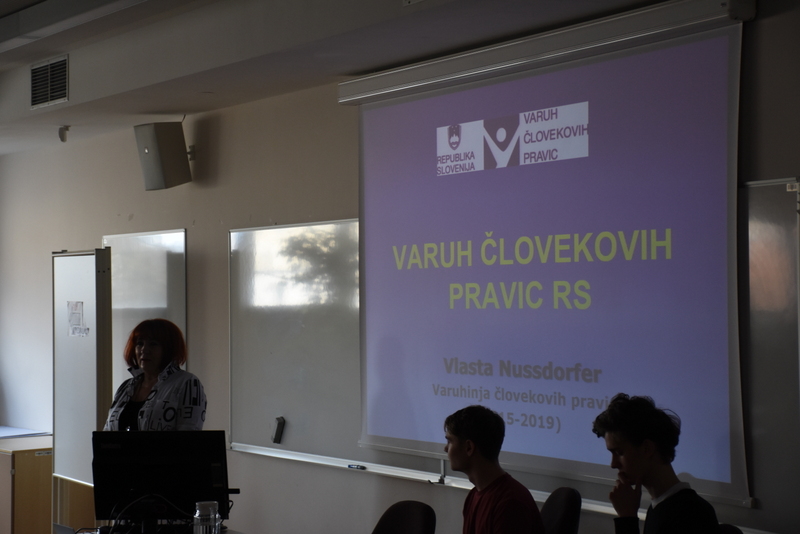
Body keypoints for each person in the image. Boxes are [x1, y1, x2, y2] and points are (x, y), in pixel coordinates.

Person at [591, 393, 718, 534]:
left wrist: (627, 518)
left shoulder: (692, 515)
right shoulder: (658, 507)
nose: (613, 464)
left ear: (647, 449)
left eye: (619, 453)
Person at [444, 405, 544, 534]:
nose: (446, 449)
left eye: (450, 442)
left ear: (469, 447)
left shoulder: (510, 504)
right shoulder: (474, 495)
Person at [104, 318, 206, 431]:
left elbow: (190, 434)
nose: (144, 350)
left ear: (169, 349)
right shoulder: (126, 387)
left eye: (153, 344)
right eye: (140, 343)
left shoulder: (187, 383)